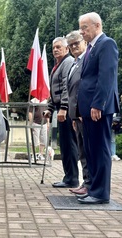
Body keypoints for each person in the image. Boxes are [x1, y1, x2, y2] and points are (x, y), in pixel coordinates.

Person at [77, 12, 119, 204]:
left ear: (97, 25)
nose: (82, 31)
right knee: (91, 149)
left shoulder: (106, 44)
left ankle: (101, 193)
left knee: (100, 149)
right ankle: (93, 188)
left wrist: (97, 104)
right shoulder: (91, 48)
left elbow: (106, 77)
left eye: (85, 27)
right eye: (81, 27)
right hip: (88, 108)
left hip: (98, 107)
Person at [43, 37, 79, 188]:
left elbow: (66, 87)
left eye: (58, 47)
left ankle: (72, 178)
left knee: (69, 144)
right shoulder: (58, 65)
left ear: (66, 49)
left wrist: (63, 108)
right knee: (64, 144)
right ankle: (68, 176)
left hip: (67, 110)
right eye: (53, 48)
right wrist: (50, 108)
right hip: (60, 108)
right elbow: (54, 91)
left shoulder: (68, 62)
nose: (55, 50)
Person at [65, 30, 91, 196]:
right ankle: (86, 182)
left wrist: (82, 110)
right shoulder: (74, 63)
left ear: (85, 42)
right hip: (77, 116)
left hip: (85, 113)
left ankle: (89, 184)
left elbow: (85, 88)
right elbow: (72, 91)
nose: (74, 46)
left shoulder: (86, 61)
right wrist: (73, 115)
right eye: (71, 44)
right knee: (82, 151)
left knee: (87, 151)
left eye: (77, 43)